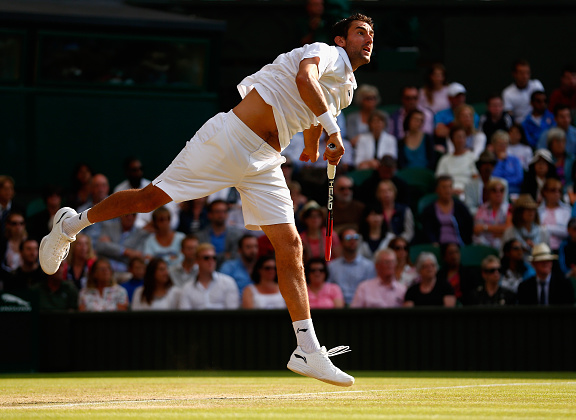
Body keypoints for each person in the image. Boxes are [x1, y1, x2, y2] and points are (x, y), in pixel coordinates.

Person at [40, 13, 376, 387]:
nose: (369, 38)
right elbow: (304, 79)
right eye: (360, 32)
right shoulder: (325, 52)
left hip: (265, 162)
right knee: (151, 199)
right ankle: (70, 225)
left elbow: (314, 118)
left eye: (372, 34)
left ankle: (308, 350)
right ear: (341, 41)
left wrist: (319, 145)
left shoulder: (346, 88)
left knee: (290, 244)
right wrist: (334, 130)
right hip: (229, 138)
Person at [114, 157, 180, 230]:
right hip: (131, 230)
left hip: (154, 228)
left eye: (141, 169)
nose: (139, 172)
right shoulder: (119, 190)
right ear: (127, 172)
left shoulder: (150, 187)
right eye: (135, 170)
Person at [179, 243, 240, 310]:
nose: (211, 261)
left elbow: (233, 314)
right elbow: (185, 317)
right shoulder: (187, 288)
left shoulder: (228, 282)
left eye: (214, 258)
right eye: (206, 258)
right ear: (197, 260)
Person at [420, 174, 474, 246]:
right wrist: (434, 242)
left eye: (450, 187)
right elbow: (428, 230)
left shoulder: (460, 207)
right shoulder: (429, 210)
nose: (447, 190)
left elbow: (468, 227)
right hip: (438, 246)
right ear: (437, 190)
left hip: (459, 245)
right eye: (444, 187)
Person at [327, 227, 376, 305]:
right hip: (338, 307)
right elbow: (328, 289)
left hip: (362, 308)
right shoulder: (332, 266)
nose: (353, 241)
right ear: (341, 242)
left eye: (356, 237)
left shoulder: (368, 266)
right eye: (348, 238)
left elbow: (371, 290)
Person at [197, 200, 243, 267]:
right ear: (209, 215)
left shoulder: (237, 235)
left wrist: (213, 257)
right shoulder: (200, 236)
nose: (221, 215)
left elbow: (235, 256)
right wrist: (224, 256)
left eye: (224, 211)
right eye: (217, 212)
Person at [501, 194, 549, 258]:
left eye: (533, 209)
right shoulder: (509, 232)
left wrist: (536, 249)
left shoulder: (543, 232)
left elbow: (547, 255)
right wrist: (520, 251)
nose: (531, 213)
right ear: (519, 212)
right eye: (527, 209)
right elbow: (503, 256)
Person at [435, 125, 478, 195]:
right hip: (448, 193)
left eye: (463, 137)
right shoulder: (444, 159)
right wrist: (451, 191)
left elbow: (476, 178)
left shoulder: (472, 157)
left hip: (468, 193)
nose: (461, 140)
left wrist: (465, 191)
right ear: (452, 140)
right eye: (458, 137)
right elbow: (440, 180)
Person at [464, 150, 509, 216]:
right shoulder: (469, 185)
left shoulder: (502, 184)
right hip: (477, 218)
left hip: (498, 218)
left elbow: (504, 206)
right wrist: (484, 214)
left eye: (491, 164)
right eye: (485, 164)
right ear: (479, 166)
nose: (488, 167)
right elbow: (469, 207)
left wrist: (493, 213)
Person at [502, 59, 545, 123]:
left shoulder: (536, 85)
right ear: (514, 74)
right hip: (520, 126)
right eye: (521, 73)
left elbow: (543, 106)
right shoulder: (507, 93)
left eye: (527, 73)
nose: (525, 76)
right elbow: (509, 116)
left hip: (540, 122)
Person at [473, 179, 512, 249]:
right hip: (483, 245)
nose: (498, 193)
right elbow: (477, 229)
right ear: (488, 193)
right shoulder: (481, 209)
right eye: (494, 190)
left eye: (501, 190)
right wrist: (499, 230)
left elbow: (508, 228)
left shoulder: (508, 208)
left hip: (503, 246)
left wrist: (485, 227)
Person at [538, 178, 571, 251]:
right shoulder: (538, 211)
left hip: (561, 249)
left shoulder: (566, 210)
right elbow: (536, 230)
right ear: (545, 192)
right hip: (541, 248)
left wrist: (545, 228)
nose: (557, 194)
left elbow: (567, 231)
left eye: (559, 191)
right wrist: (556, 229)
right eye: (553, 190)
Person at [76, 173, 110, 247]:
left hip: (111, 251)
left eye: (103, 185)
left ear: (108, 188)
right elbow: (78, 236)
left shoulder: (117, 207)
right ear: (91, 188)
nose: (100, 189)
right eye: (97, 186)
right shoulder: (82, 210)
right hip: (88, 251)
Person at [491, 130, 524, 195]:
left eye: (505, 144)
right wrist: (500, 161)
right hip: (495, 190)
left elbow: (519, 178)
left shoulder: (514, 159)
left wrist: (504, 182)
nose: (503, 147)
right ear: (494, 145)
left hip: (513, 190)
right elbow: (493, 177)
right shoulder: (491, 160)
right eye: (500, 144)